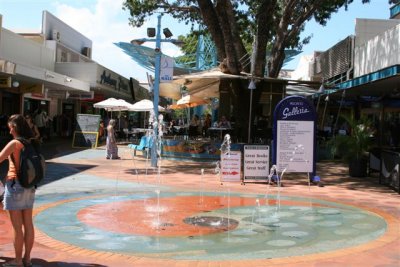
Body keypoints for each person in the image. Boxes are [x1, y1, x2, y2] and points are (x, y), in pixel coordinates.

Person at [0, 114, 37, 267]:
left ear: (14, 128)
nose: (9, 132)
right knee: (28, 224)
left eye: (10, 129)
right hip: (30, 186)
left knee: (17, 227)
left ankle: (17, 261)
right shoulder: (31, 142)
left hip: (15, 186)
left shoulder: (15, 143)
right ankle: (27, 259)